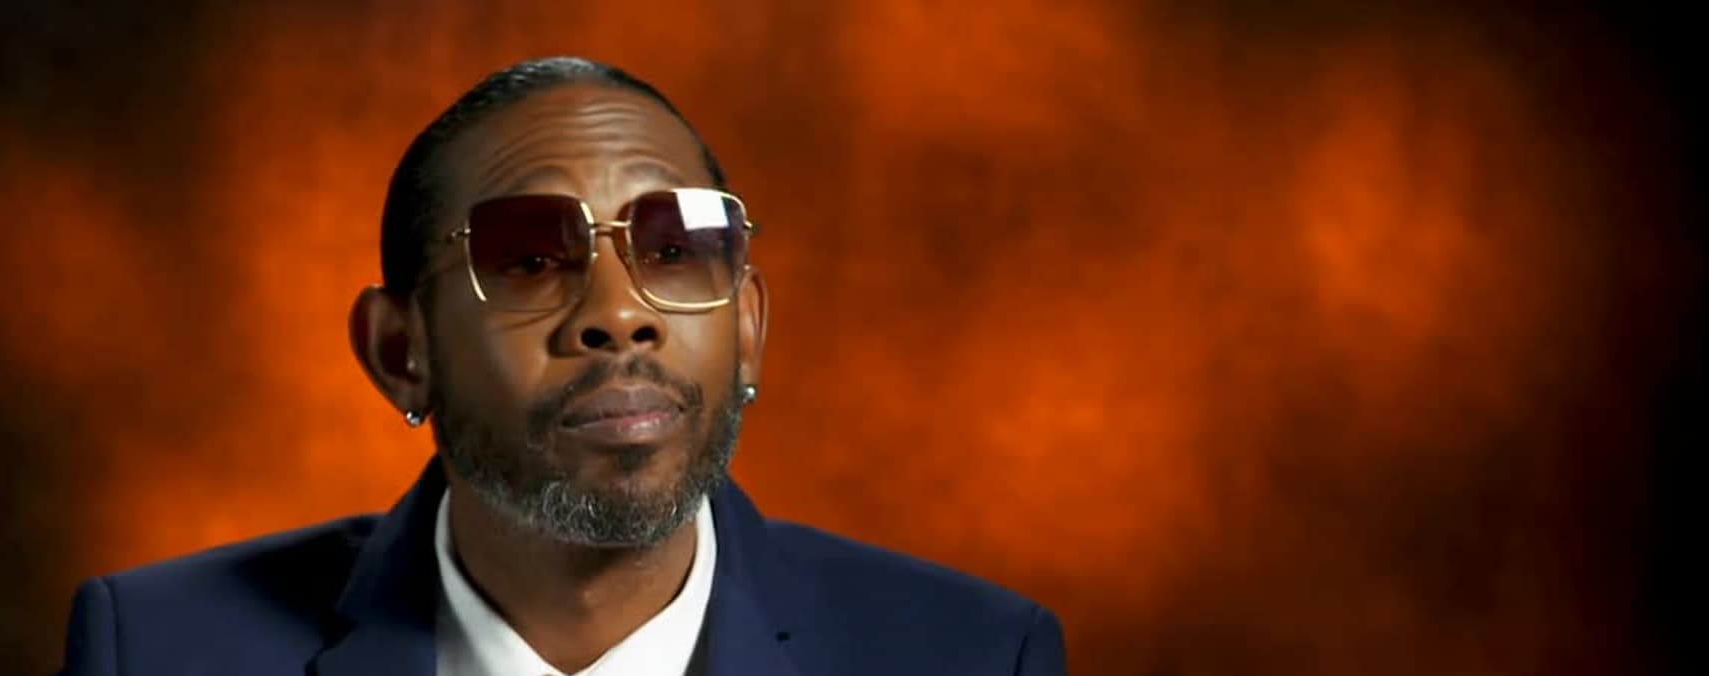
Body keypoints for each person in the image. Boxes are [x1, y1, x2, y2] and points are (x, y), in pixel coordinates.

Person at [57, 56, 1067, 676]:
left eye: (675, 250)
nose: (621, 314)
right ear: (401, 353)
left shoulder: (975, 656)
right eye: (530, 260)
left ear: (749, 327)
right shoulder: (153, 651)